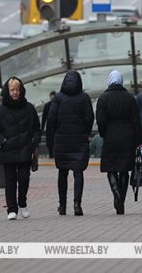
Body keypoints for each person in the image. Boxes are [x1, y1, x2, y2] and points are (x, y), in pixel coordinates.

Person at [0, 77, 41, 221]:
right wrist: (2, 142)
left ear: (21, 90)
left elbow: (36, 128)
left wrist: (34, 141)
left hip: (25, 148)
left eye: (17, 89)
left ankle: (22, 203)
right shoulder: (0, 110)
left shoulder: (29, 108)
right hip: (8, 149)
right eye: (12, 90)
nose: (15, 92)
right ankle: (12, 209)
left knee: (24, 179)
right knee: (10, 181)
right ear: (7, 91)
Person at [46, 71, 94, 216]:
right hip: (79, 140)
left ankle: (62, 206)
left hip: (62, 140)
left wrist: (54, 136)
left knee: (62, 172)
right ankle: (77, 204)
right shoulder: (84, 98)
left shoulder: (58, 98)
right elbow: (89, 118)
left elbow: (51, 119)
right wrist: (84, 132)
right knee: (78, 172)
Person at [96, 70, 142, 215]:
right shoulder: (130, 98)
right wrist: (138, 140)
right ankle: (121, 198)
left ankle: (116, 193)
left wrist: (104, 133)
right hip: (128, 136)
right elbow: (136, 121)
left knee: (111, 167)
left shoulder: (103, 98)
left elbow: (100, 121)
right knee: (124, 169)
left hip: (111, 135)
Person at [41, 91, 56, 158]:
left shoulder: (49, 105)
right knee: (50, 141)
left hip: (54, 126)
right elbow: (44, 117)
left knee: (53, 141)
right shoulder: (47, 105)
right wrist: (42, 128)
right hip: (50, 126)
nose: (52, 98)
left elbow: (44, 117)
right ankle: (51, 154)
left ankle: (52, 154)